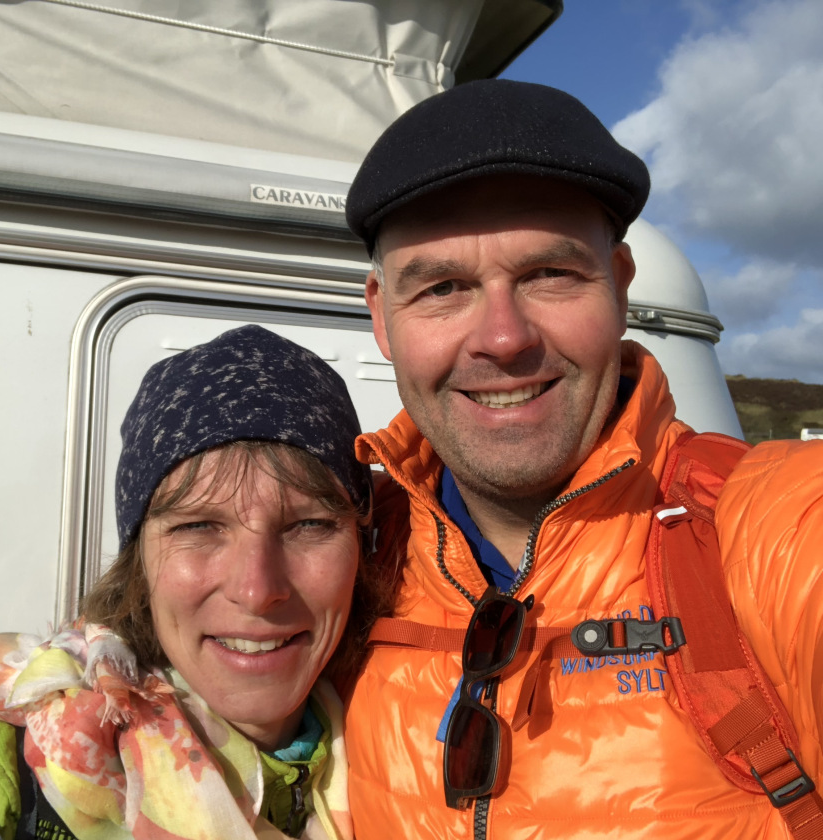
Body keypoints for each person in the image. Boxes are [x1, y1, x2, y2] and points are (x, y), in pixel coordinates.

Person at [342, 79, 823, 839]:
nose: (504, 338)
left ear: (621, 287)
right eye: (442, 287)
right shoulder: (347, 561)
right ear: (381, 316)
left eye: (549, 275)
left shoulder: (770, 526)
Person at [0, 324, 383, 840]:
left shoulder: (404, 762)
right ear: (140, 562)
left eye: (308, 524)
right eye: (198, 526)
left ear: (363, 551)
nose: (257, 590)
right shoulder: (13, 773)